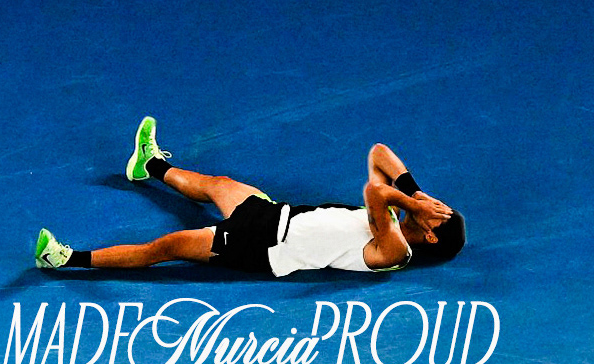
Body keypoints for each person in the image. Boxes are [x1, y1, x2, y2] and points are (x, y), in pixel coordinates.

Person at [34, 117, 465, 276]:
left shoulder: (396, 250)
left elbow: (374, 190)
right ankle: (150, 166)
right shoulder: (405, 212)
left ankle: (64, 259)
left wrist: (410, 203)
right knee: (216, 183)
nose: (435, 207)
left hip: (263, 247)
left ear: (430, 235)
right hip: (275, 215)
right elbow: (379, 153)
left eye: (438, 215)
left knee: (165, 247)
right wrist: (415, 191)